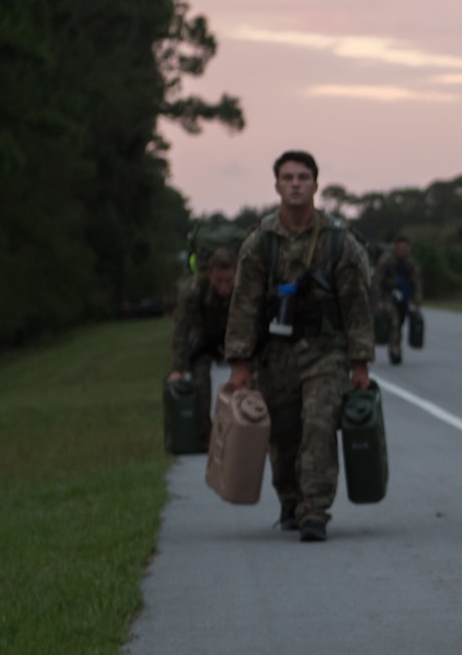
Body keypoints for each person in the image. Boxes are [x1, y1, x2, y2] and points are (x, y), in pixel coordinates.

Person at [224, 151, 378, 542]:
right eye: (288, 177)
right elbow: (244, 303)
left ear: (315, 184)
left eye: (303, 177)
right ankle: (290, 501)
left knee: (319, 425)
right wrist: (239, 364)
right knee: (283, 433)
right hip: (275, 355)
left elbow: (356, 305)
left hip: (325, 351)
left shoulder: (336, 242)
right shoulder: (260, 243)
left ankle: (315, 511)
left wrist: (360, 363)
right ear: (276, 185)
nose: (295, 183)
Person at [169, 247, 237, 400]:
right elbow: (181, 329)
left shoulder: (244, 291)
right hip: (204, 344)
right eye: (218, 281)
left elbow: (251, 328)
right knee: (200, 387)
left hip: (236, 345)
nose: (224, 287)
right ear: (209, 274)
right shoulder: (193, 292)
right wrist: (177, 369)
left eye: (228, 281)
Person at [372, 236, 421, 365]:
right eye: (399, 248)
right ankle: (395, 352)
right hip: (387, 297)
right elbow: (377, 281)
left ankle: (395, 346)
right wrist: (377, 300)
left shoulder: (409, 263)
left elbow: (416, 283)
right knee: (394, 320)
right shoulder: (386, 261)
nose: (402, 251)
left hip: (403, 299)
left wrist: (416, 302)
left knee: (399, 323)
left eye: (405, 248)